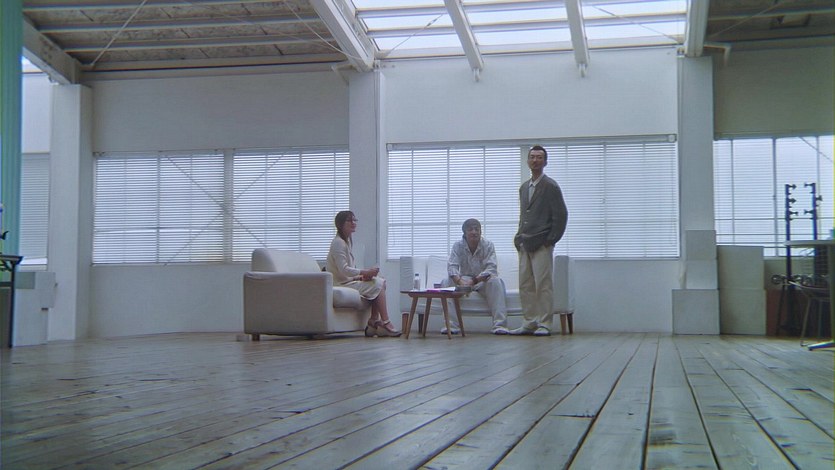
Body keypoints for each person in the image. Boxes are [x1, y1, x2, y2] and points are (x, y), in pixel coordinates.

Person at [512, 145, 568, 336]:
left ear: (545, 162)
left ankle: (545, 323)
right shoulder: (524, 188)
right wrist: (519, 237)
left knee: (543, 285)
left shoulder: (551, 186)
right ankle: (529, 322)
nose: (535, 160)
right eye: (532, 157)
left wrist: (550, 240)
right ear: (528, 161)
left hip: (542, 243)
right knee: (525, 285)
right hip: (524, 243)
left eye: (539, 157)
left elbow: (561, 215)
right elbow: (524, 216)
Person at [327, 210, 401, 337]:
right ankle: (385, 322)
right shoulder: (338, 243)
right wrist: (364, 272)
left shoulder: (347, 241)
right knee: (379, 283)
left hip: (348, 281)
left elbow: (348, 270)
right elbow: (344, 269)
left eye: (354, 220)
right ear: (340, 224)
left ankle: (373, 320)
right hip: (340, 284)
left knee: (379, 278)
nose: (353, 223)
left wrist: (361, 277)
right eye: (349, 220)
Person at [443, 218, 510, 335]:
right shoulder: (457, 246)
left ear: (480, 231)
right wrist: (460, 281)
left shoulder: (488, 245)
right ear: (464, 232)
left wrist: (474, 281)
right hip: (464, 280)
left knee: (496, 281)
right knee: (446, 282)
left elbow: (491, 268)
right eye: (470, 229)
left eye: (476, 229)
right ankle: (451, 326)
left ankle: (500, 325)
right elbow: (452, 267)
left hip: (482, 281)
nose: (474, 232)